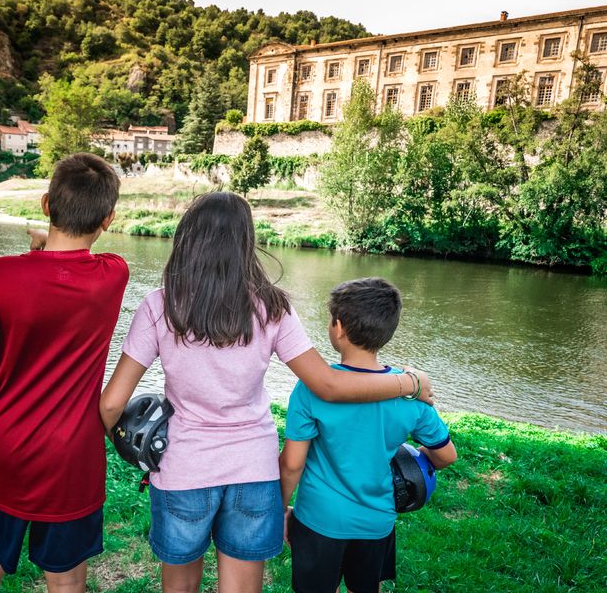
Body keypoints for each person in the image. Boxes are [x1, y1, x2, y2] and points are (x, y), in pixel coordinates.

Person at [99, 192, 433, 593]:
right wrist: (408, 382)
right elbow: (328, 384)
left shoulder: (159, 306)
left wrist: (132, 448)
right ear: (245, 242)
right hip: (253, 470)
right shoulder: (272, 307)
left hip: (182, 468)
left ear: (187, 238)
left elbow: (113, 402)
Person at [0, 153, 128, 593]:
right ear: (108, 219)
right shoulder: (114, 275)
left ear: (46, 203)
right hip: (75, 458)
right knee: (66, 579)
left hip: (8, 450)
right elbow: (72, 264)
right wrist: (43, 248)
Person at [279, 277, 458, 593]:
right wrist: (411, 457)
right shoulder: (409, 396)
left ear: (339, 327)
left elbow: (292, 464)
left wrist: (280, 509)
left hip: (319, 519)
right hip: (375, 522)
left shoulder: (311, 389)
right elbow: (446, 456)